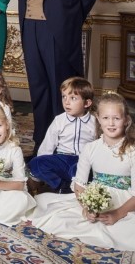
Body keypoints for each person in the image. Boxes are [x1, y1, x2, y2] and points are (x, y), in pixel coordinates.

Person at [17, 0, 98, 154]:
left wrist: (69, 21)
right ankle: (42, 147)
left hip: (60, 32)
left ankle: (63, 149)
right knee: (39, 90)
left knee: (60, 91)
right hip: (31, 28)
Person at [29, 93, 135, 251]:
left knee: (125, 231)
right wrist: (86, 207)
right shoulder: (91, 148)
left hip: (125, 200)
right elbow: (80, 184)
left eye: (116, 118)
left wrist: (118, 214)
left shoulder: (132, 151)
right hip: (96, 196)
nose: (111, 123)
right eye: (106, 118)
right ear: (98, 118)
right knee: (59, 219)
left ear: (126, 120)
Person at [28, 77, 97, 194]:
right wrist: (40, 167)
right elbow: (48, 145)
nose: (66, 102)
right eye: (64, 96)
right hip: (61, 159)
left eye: (73, 98)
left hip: (82, 160)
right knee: (36, 163)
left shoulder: (94, 122)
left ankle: (75, 187)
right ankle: (62, 186)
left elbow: (100, 145)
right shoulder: (59, 120)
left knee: (82, 171)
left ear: (87, 103)